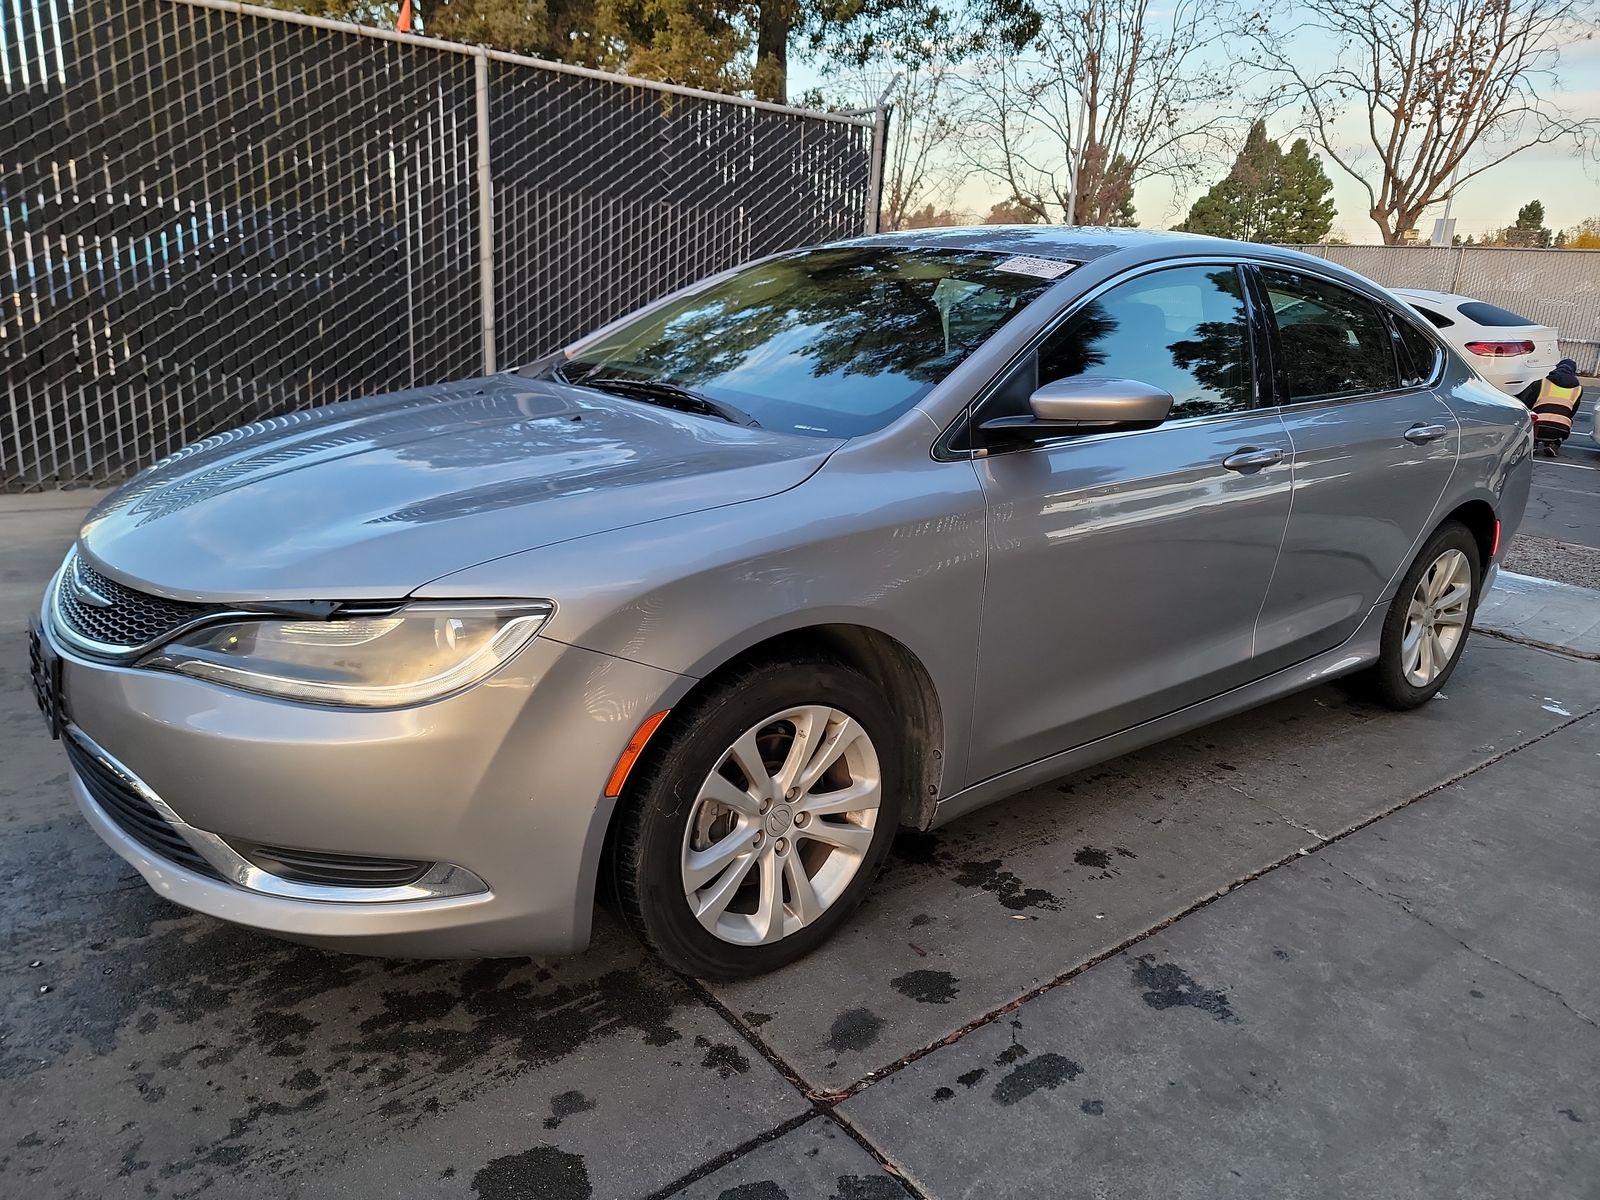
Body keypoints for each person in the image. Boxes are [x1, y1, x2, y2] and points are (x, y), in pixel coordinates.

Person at [1516, 358, 1583, 456]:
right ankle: (1554, 444)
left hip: (1538, 426)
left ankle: (1533, 443)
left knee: (1531, 417)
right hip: (1562, 428)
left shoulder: (1542, 383)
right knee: (1567, 420)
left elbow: (1527, 402)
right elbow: (1572, 411)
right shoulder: (1578, 389)